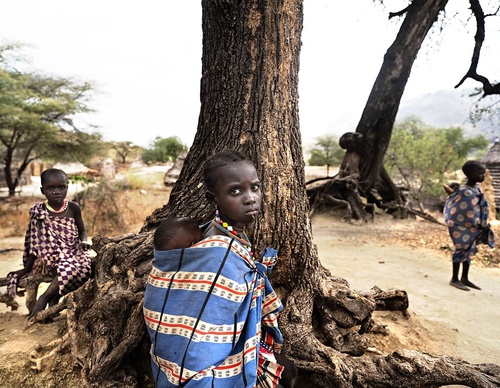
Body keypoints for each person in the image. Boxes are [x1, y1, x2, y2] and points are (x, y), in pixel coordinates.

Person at [143, 150, 297, 387]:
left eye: (254, 187)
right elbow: (206, 314)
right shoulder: (218, 250)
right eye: (235, 191)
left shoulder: (221, 232)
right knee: (287, 372)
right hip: (202, 356)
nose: (250, 198)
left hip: (225, 341)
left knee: (289, 370)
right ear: (212, 197)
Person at [6, 168, 92, 319]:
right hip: (49, 257)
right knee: (68, 268)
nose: (56, 192)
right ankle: (48, 302)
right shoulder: (39, 212)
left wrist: (84, 241)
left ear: (67, 187)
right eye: (50, 188)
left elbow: (82, 231)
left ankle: (46, 298)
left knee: (83, 266)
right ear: (42, 190)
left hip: (73, 251)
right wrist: (26, 268)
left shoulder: (73, 207)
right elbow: (35, 243)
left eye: (61, 187)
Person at [443, 160, 495, 291]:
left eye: (483, 173)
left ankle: (464, 278)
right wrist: (479, 223)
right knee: (460, 249)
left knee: (468, 251)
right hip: (463, 226)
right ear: (470, 174)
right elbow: (466, 212)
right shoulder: (465, 192)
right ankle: (454, 278)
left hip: (474, 226)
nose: (483, 175)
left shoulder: (476, 188)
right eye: (480, 173)